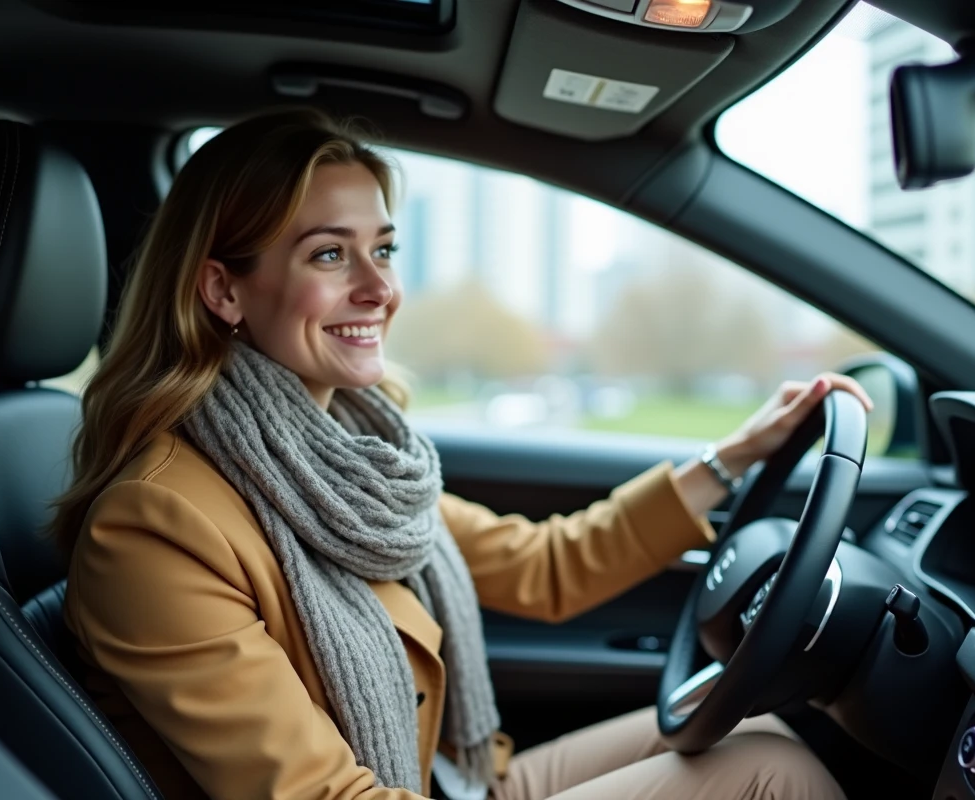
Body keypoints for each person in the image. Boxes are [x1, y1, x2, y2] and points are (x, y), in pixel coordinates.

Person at [54, 107, 872, 800]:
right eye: (329, 254)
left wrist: (732, 456)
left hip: (451, 779)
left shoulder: (355, 459)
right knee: (770, 771)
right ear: (223, 289)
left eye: (384, 249)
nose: (379, 289)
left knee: (764, 722)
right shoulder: (155, 525)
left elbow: (546, 567)